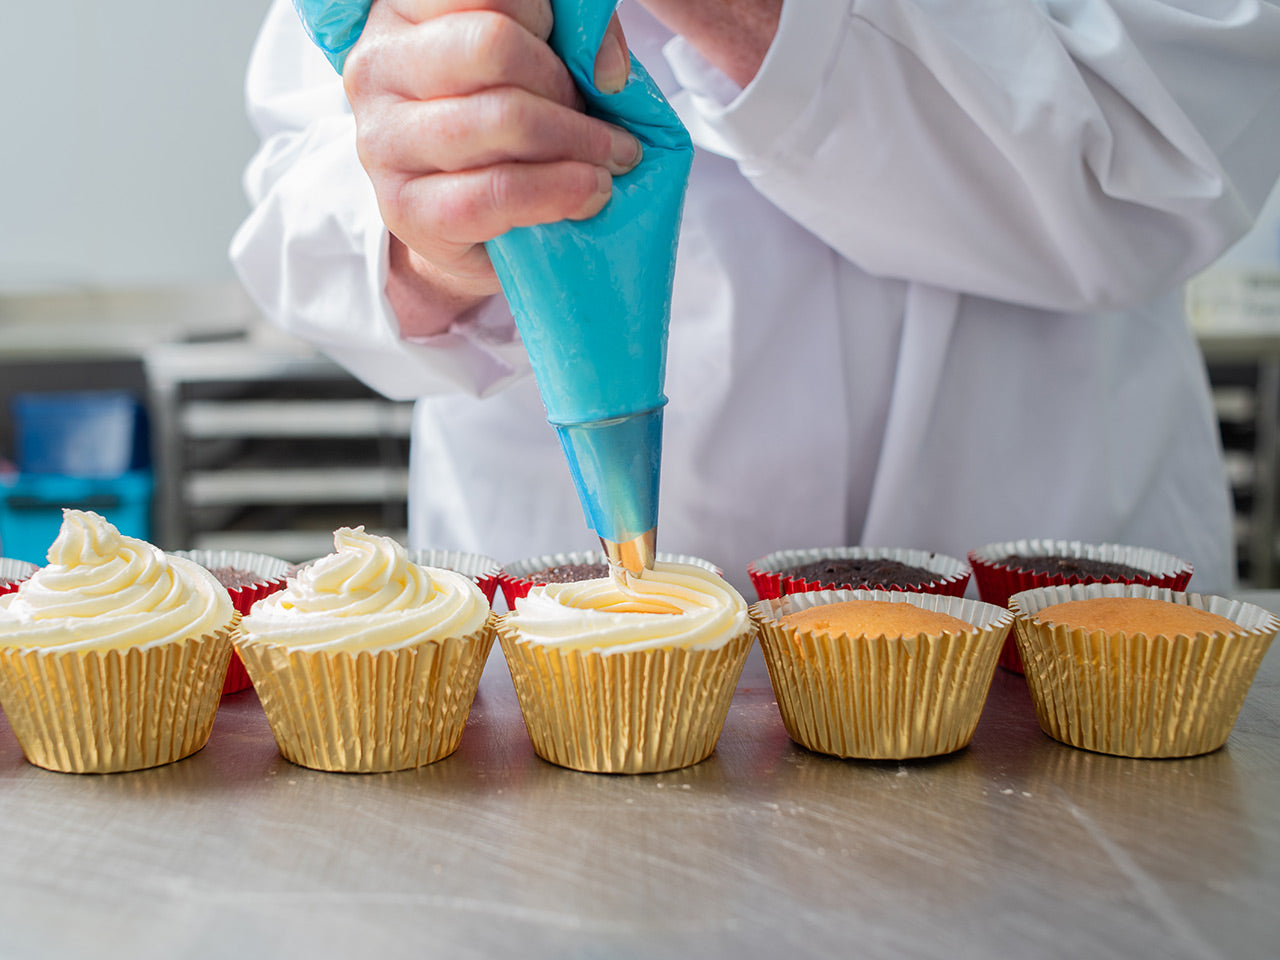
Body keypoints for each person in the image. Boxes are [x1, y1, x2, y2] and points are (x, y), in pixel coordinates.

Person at [231, 0, 1280, 595]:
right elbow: (305, 192)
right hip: (556, 673)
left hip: (1051, 658)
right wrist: (437, 233)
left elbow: (1180, 145)